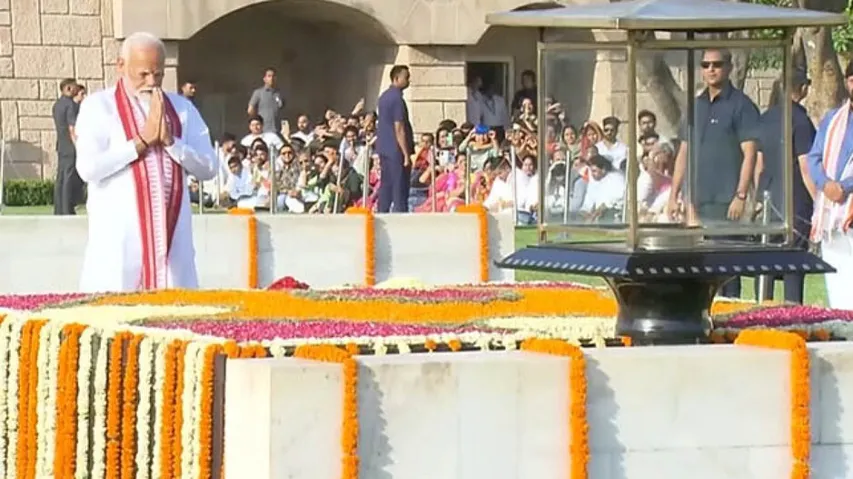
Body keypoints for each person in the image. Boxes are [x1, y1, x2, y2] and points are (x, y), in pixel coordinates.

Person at [74, 31, 217, 292]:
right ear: (121, 66)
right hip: (118, 251)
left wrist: (172, 143)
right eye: (143, 74)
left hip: (173, 247)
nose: (152, 82)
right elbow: (88, 168)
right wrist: (140, 142)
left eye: (158, 74)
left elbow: (209, 168)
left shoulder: (182, 108)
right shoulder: (98, 107)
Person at [668, 48, 760, 299]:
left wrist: (741, 195)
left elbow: (750, 153)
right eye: (706, 64)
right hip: (696, 202)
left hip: (726, 203)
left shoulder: (741, 105)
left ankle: (730, 322)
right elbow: (684, 151)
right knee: (697, 269)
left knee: (727, 270)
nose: (711, 69)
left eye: (717, 64)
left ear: (728, 67)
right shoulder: (694, 105)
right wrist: (674, 195)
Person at [754, 68, 816, 304]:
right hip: (795, 198)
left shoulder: (765, 118)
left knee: (768, 261)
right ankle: (793, 309)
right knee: (793, 261)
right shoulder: (800, 120)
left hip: (769, 197)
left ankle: (762, 307)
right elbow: (805, 165)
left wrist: (757, 198)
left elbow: (759, 164)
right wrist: (819, 203)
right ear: (802, 88)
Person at [806, 60, 853, 310]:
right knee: (836, 277)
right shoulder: (833, 119)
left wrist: (844, 187)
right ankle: (844, 334)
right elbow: (814, 157)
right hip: (831, 215)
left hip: (849, 204)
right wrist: (825, 184)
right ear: (847, 82)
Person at [376, 65, 414, 213]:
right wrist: (406, 154)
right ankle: (400, 217)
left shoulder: (383, 97)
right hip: (395, 150)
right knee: (400, 188)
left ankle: (382, 213)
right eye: (406, 77)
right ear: (396, 78)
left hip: (384, 148)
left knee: (386, 185)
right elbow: (399, 128)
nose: (408, 80)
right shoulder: (397, 99)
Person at [53, 78, 83, 215]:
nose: (77, 90)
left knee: (60, 178)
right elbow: (72, 127)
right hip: (70, 146)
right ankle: (66, 210)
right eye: (75, 87)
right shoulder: (70, 105)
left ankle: (58, 209)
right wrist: (77, 145)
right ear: (68, 88)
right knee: (68, 178)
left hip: (61, 145)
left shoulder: (57, 105)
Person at [247, 67, 284, 134]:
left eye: (273, 76)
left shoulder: (279, 93)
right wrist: (257, 123)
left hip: (277, 130)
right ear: (264, 79)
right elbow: (250, 110)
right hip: (264, 130)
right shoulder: (258, 92)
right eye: (269, 76)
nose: (271, 78)